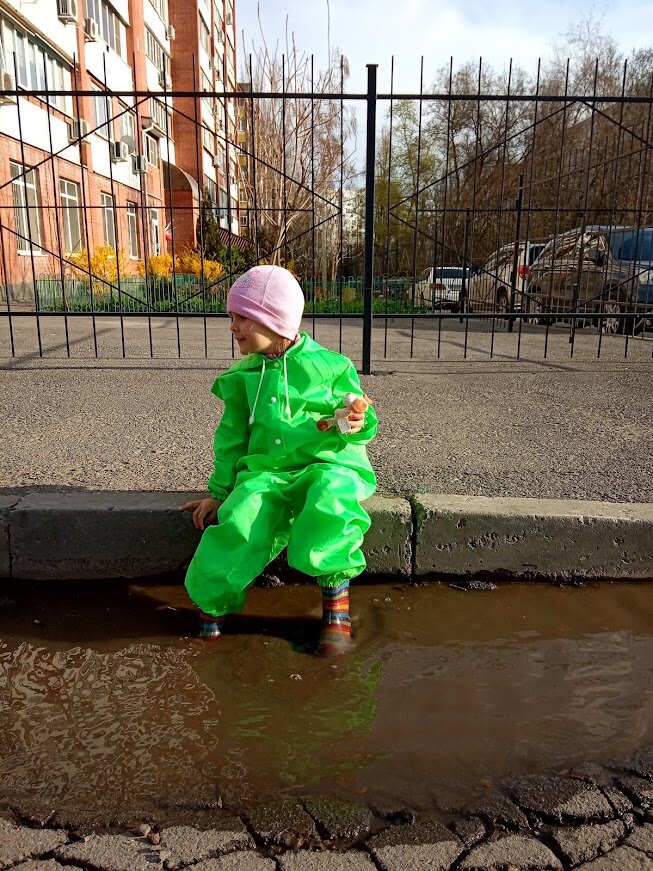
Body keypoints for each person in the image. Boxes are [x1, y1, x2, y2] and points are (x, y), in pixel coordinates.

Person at [180, 265, 377, 655]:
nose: (233, 327)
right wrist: (220, 492)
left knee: (330, 502)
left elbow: (360, 414)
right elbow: (231, 439)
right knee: (242, 515)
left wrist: (357, 417)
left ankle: (336, 608)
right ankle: (213, 601)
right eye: (231, 317)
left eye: (242, 318)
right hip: (266, 472)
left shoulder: (331, 366)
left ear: (275, 320)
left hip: (327, 464)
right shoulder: (243, 377)